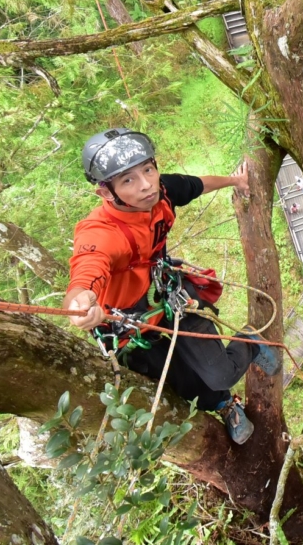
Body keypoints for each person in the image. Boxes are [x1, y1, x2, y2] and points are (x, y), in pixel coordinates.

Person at [65, 128, 279, 444]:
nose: (146, 184)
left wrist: (236, 181)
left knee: (220, 372)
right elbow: (87, 267)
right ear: (106, 193)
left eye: (148, 169)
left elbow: (198, 184)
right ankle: (223, 403)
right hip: (132, 327)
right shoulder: (102, 231)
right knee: (181, 382)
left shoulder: (163, 193)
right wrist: (81, 301)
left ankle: (248, 341)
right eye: (128, 180)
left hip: (170, 298)